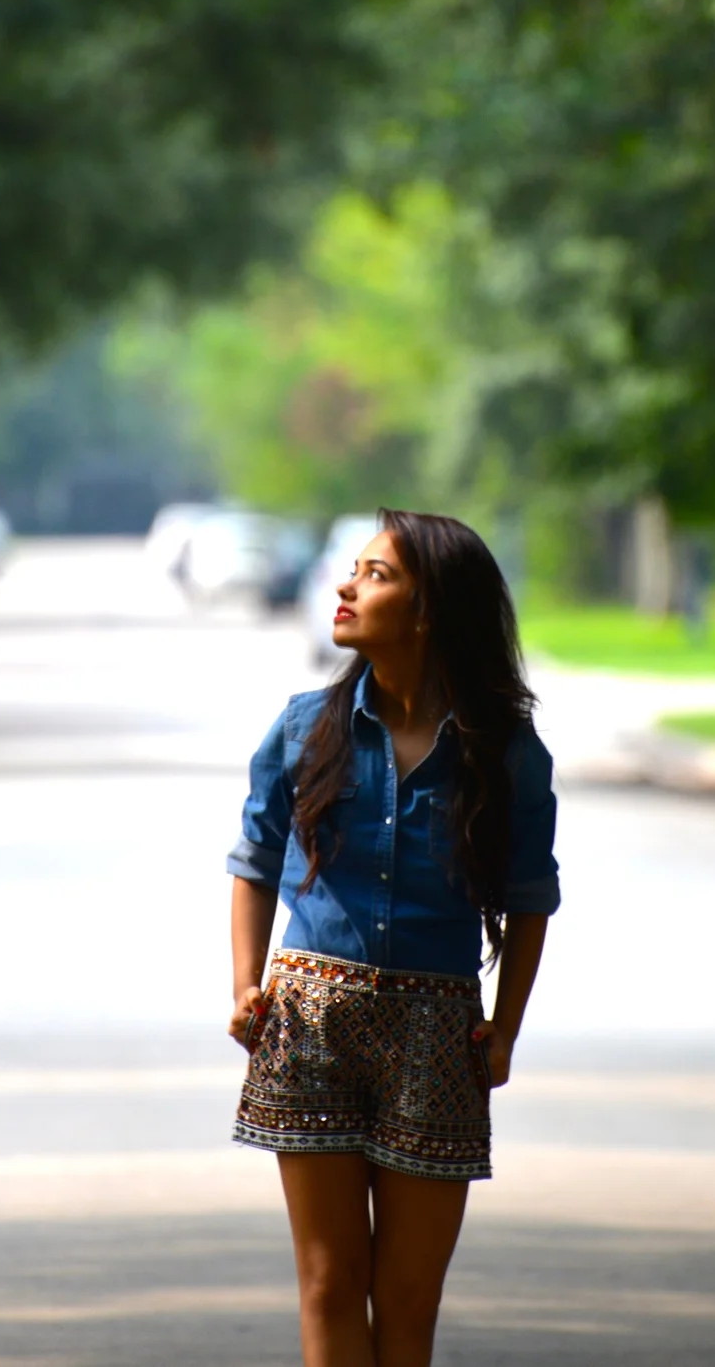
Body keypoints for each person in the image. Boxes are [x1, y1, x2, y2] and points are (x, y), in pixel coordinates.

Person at [226, 508, 559, 1367]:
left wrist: (506, 1026)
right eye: (354, 570)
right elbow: (253, 860)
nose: (346, 587)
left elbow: (531, 898)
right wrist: (245, 984)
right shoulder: (304, 728)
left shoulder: (506, 752)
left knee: (408, 1301)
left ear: (430, 609)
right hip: (311, 1023)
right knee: (331, 1284)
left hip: (438, 1031)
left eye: (376, 575)